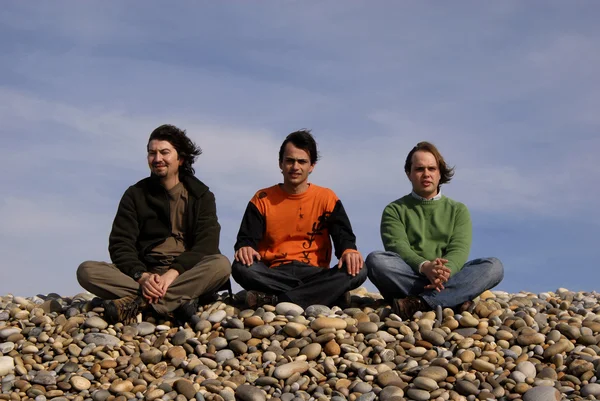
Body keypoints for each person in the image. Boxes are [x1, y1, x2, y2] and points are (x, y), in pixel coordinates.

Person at [77, 124, 231, 325]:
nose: (157, 159)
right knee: (86, 271)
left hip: (185, 272)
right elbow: (120, 243)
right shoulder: (135, 194)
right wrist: (142, 277)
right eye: (152, 153)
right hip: (147, 271)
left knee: (221, 265)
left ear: (180, 158)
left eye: (164, 152)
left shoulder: (201, 195)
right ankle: (176, 302)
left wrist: (171, 275)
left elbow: (207, 244)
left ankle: (138, 302)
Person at [366, 141, 503, 320]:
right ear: (409, 173)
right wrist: (425, 267)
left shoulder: (458, 210)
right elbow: (398, 247)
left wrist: (442, 274)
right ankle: (452, 300)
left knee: (494, 267)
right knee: (376, 261)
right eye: (419, 169)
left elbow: (459, 249)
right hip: (411, 276)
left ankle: (419, 304)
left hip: (448, 277)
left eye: (432, 168)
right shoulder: (395, 209)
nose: (426, 174)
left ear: (440, 173)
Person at [232, 129, 367, 309]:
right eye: (290, 161)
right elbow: (245, 240)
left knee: (359, 269)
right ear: (280, 164)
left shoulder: (326, 198)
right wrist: (245, 248)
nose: (295, 167)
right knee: (241, 267)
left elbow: (344, 238)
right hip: (273, 272)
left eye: (302, 161)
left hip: (315, 272)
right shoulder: (262, 198)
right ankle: (323, 295)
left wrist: (348, 250)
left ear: (312, 166)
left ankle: (276, 299)